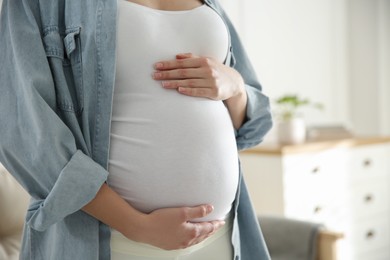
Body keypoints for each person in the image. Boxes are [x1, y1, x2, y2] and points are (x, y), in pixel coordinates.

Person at [0, 0, 272, 259]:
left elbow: (254, 125)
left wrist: (235, 87)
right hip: (111, 243)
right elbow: (23, 131)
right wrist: (137, 226)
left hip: (221, 239)